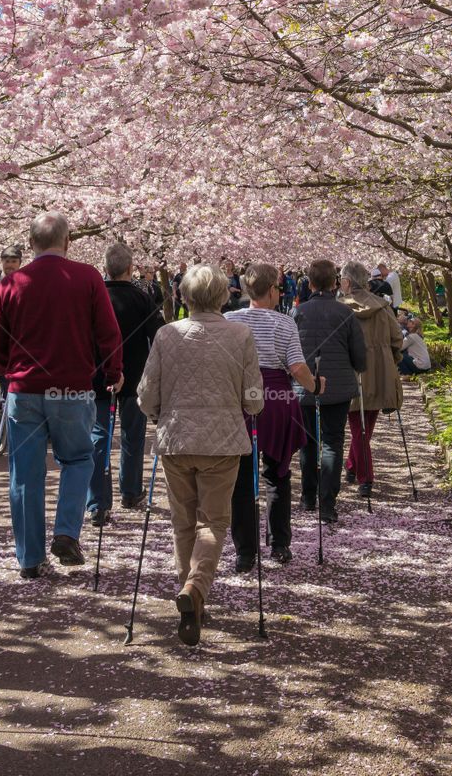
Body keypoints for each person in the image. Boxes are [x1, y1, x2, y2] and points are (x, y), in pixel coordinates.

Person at [0, 212, 123, 579]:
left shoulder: (12, 283)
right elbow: (108, 332)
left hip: (24, 390)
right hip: (72, 388)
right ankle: (66, 531)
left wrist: (7, 371)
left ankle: (30, 559)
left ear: (31, 244)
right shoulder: (88, 277)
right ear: (68, 242)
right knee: (78, 459)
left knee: (25, 475)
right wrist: (112, 372)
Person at [137, 264, 262, 645]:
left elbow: (146, 395)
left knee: (183, 523)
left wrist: (158, 414)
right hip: (222, 443)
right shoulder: (240, 334)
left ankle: (193, 598)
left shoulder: (166, 334)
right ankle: (194, 590)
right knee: (214, 522)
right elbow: (254, 398)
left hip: (176, 440)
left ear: (185, 297)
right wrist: (248, 406)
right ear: (224, 295)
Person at [225, 263, 324, 567]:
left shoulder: (229, 320)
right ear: (271, 290)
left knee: (240, 478)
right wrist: (316, 386)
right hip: (276, 400)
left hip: (240, 401)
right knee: (277, 473)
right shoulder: (284, 323)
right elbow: (296, 367)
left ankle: (244, 551)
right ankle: (279, 544)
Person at [87, 243, 165, 526]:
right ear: (130, 268)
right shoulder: (142, 298)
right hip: (134, 377)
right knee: (133, 437)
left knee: (99, 438)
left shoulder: (95, 297)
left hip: (99, 377)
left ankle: (98, 502)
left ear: (105, 268)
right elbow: (158, 336)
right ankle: (130, 492)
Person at [293, 259, 366, 523]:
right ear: (335, 283)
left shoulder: (297, 314)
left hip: (305, 388)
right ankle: (327, 504)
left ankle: (308, 497)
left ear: (310, 283)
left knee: (308, 444)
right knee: (333, 442)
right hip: (338, 388)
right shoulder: (344, 313)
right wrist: (357, 366)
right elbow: (359, 356)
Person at [339, 262, 403, 496]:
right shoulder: (383, 307)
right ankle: (352, 465)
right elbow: (397, 339)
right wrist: (388, 359)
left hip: (351, 372)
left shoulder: (339, 308)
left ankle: (366, 477)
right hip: (380, 371)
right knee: (364, 426)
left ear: (347, 282)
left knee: (358, 426)